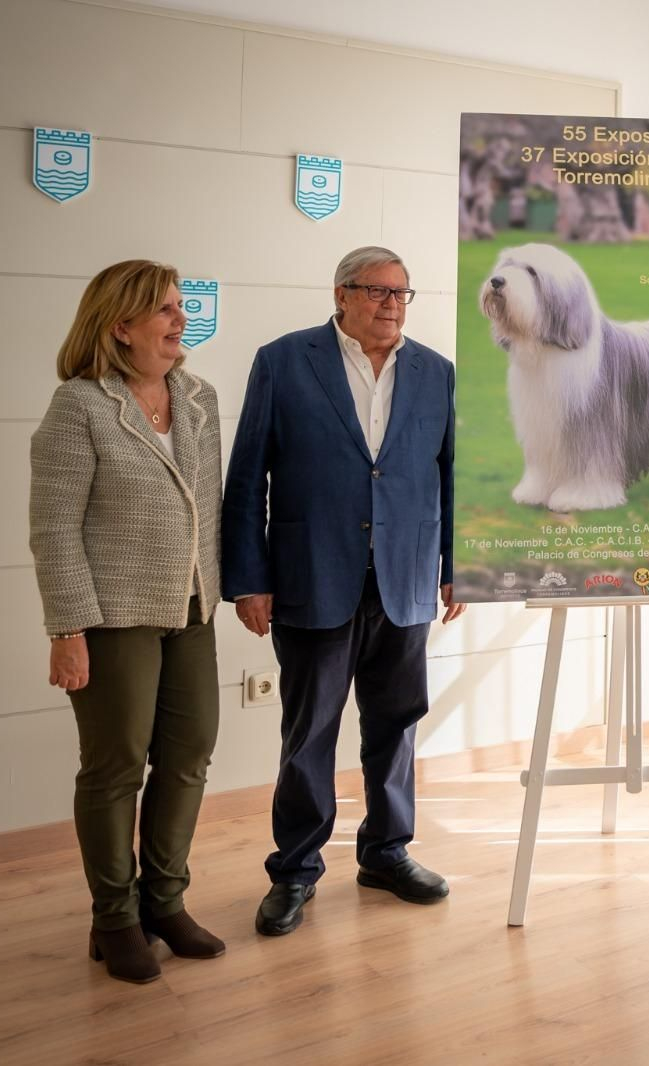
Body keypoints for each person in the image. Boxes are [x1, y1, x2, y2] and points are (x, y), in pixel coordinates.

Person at [223, 245, 465, 937]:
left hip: (404, 578)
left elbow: (452, 476)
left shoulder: (437, 372)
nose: (391, 305)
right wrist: (250, 579)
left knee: (396, 725)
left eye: (401, 293)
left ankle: (386, 853)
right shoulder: (283, 361)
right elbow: (248, 476)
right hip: (312, 575)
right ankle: (296, 870)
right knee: (309, 734)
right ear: (341, 295)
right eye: (376, 291)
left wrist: (459, 564)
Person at [29, 260, 225, 984]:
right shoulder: (78, 406)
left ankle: (163, 904)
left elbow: (209, 507)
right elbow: (54, 528)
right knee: (115, 766)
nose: (180, 319)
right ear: (120, 326)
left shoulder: (198, 397)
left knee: (190, 753)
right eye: (164, 310)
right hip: (113, 616)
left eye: (180, 306)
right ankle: (114, 919)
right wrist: (67, 631)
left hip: (192, 606)